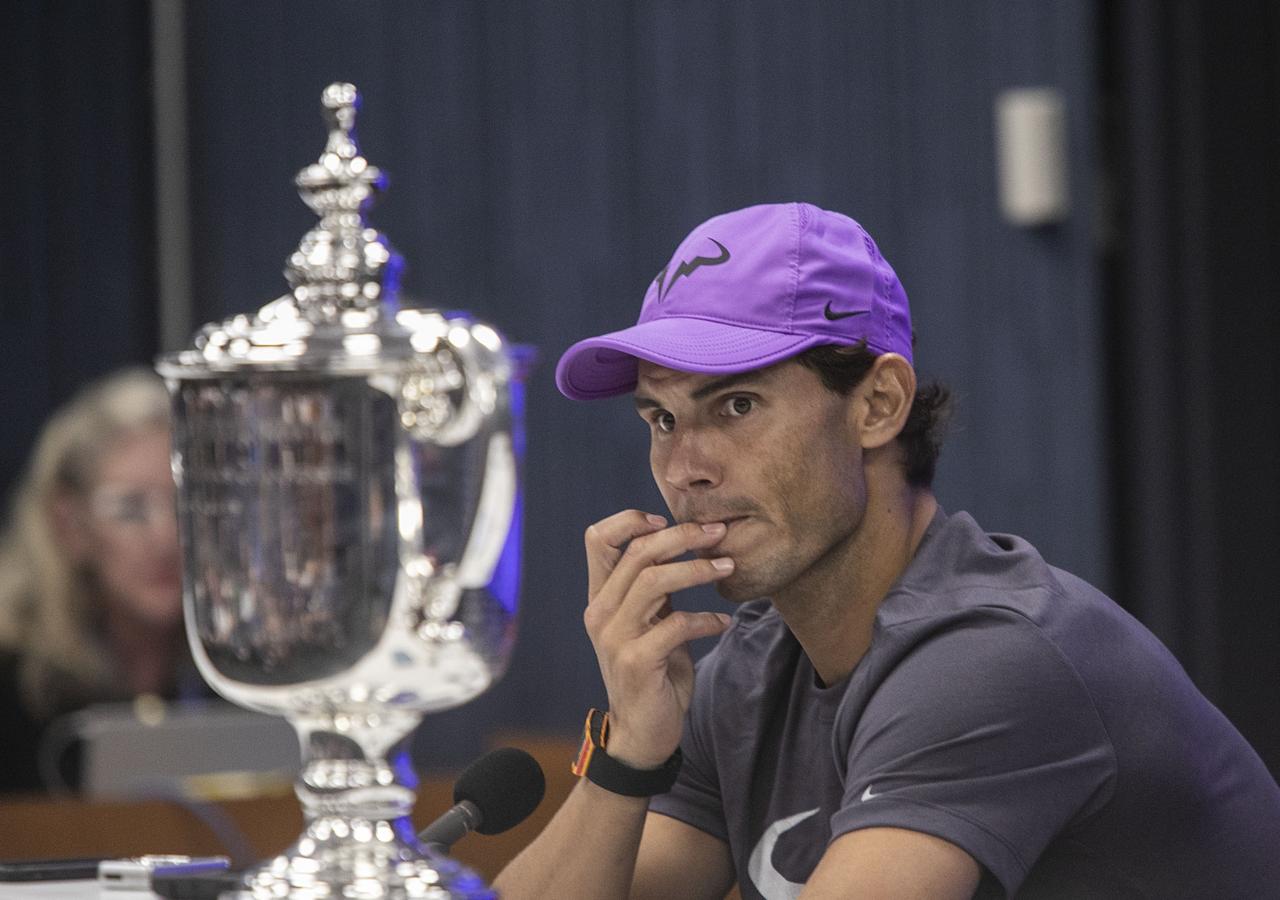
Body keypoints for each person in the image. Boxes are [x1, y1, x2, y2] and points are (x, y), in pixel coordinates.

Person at [495, 202, 1280, 898]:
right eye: (661, 420)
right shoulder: (748, 672)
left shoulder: (993, 659)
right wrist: (630, 749)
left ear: (878, 405)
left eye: (736, 405)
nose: (686, 468)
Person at [0, 367, 201, 793]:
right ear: (70, 524)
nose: (165, 538)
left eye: (185, 505)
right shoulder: (14, 686)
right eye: (130, 508)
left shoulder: (232, 679)